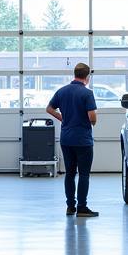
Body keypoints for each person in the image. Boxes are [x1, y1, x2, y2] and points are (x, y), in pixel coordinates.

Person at [46, 63, 99, 217]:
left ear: (75, 74)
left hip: (66, 139)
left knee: (70, 173)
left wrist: (62, 118)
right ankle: (82, 207)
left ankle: (70, 207)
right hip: (83, 140)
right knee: (83, 174)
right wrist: (93, 122)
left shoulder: (62, 91)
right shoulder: (87, 93)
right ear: (87, 77)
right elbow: (92, 116)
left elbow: (49, 108)